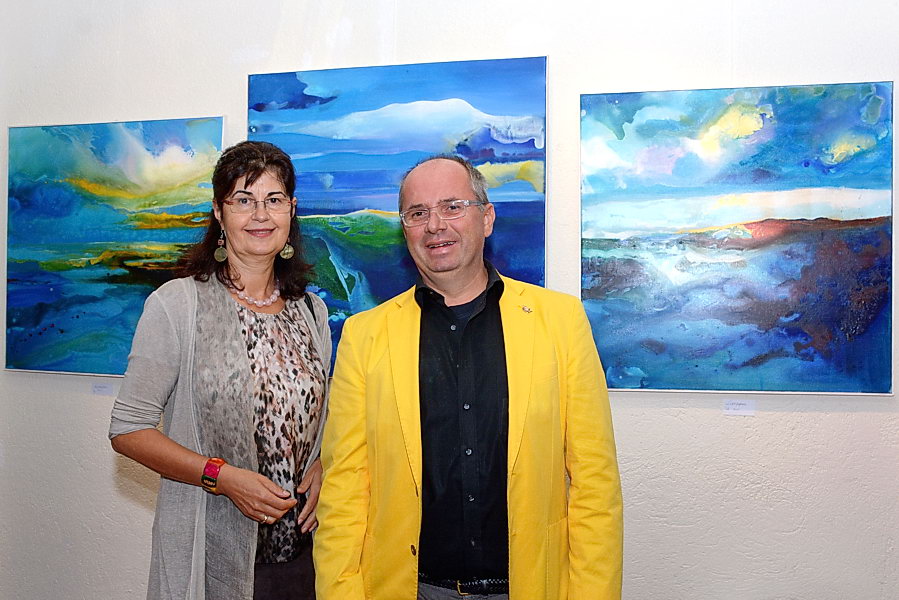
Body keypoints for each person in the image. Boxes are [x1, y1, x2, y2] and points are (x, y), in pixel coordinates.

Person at [314, 155, 622, 600]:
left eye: (453, 206)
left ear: (487, 218)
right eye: (417, 213)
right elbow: (343, 490)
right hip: (411, 589)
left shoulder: (560, 322)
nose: (435, 225)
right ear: (405, 230)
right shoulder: (364, 336)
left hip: (530, 587)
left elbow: (595, 483)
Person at [109, 140, 331, 600]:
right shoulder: (176, 305)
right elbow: (128, 429)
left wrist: (323, 463)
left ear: (291, 210)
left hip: (304, 559)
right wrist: (222, 477)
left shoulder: (312, 311)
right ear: (218, 211)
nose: (261, 215)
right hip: (210, 555)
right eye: (243, 200)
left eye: (274, 200)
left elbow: (318, 419)